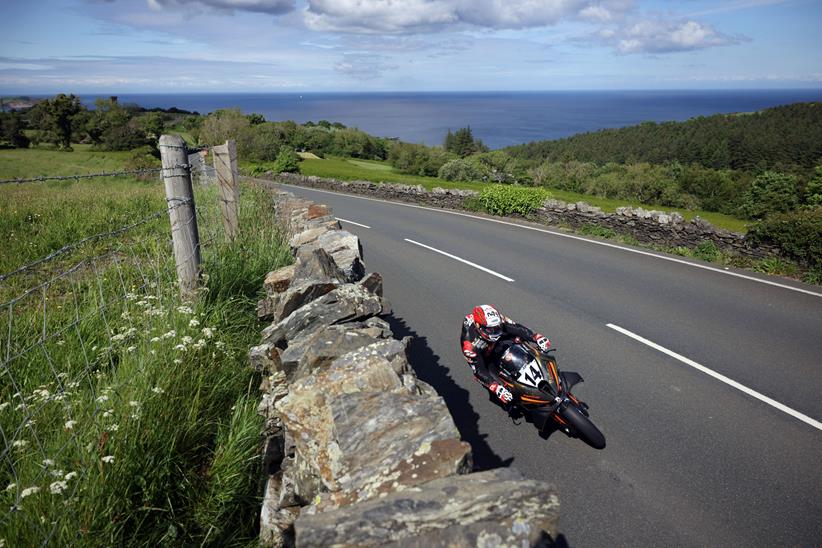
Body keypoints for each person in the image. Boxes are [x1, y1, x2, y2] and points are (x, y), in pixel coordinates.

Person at [460, 304, 551, 404]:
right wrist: (495, 387)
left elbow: (518, 328)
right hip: (485, 355)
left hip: (502, 341)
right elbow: (479, 370)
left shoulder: (500, 321)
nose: (495, 332)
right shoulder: (469, 345)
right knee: (498, 390)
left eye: (497, 327)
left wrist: (536, 337)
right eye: (490, 330)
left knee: (519, 340)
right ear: (478, 326)